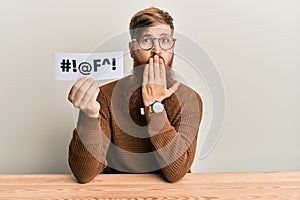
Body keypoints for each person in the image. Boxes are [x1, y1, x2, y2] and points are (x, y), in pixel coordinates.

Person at [67, 7, 203, 183]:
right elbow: (84, 174)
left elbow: (175, 173)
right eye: (147, 41)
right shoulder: (105, 96)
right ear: (131, 49)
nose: (157, 51)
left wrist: (154, 106)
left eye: (164, 41)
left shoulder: (190, 99)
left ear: (173, 47)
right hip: (119, 192)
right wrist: (89, 115)